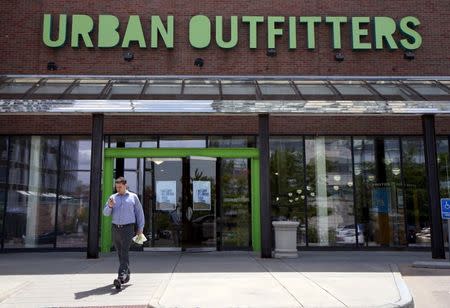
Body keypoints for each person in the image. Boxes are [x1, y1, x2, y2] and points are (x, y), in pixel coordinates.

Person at [103, 176, 145, 285]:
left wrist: (140, 228)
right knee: (120, 253)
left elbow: (139, 213)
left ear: (125, 186)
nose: (118, 189)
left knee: (124, 251)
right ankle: (127, 273)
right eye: (116, 187)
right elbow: (105, 213)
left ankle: (120, 276)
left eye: (120, 187)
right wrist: (110, 206)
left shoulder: (133, 197)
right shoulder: (112, 197)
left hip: (128, 228)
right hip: (115, 228)